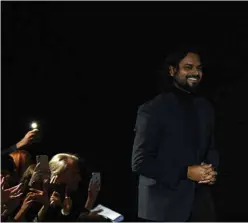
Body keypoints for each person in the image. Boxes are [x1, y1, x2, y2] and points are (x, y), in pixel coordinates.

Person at [132, 47, 219, 222]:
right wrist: (185, 172)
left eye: (199, 68)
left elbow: (211, 148)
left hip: (200, 205)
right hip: (162, 209)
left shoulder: (205, 107)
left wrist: (211, 170)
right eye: (188, 67)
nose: (196, 72)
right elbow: (140, 162)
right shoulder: (152, 109)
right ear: (172, 71)